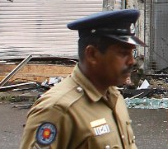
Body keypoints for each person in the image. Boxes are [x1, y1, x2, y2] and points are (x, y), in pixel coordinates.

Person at [19, 9, 143, 149]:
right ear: (92, 54)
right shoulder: (58, 110)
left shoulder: (114, 96)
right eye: (123, 53)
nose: (132, 61)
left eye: (132, 53)